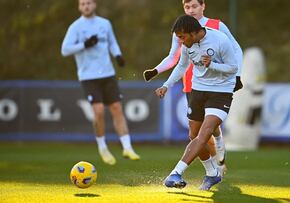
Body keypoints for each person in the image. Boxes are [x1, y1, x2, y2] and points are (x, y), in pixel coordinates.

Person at [144, 0, 243, 170]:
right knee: (198, 131)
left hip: (217, 82)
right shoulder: (181, 29)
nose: (190, 10)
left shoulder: (216, 26)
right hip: (192, 83)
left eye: (194, 6)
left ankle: (219, 148)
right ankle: (214, 166)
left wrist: (238, 75)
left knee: (209, 125)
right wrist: (156, 71)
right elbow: (175, 58)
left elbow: (236, 49)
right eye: (187, 7)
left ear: (203, 6)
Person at [155, 15, 238, 190]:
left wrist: (212, 66)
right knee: (194, 136)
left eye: (182, 37)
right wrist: (166, 85)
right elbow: (182, 66)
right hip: (198, 90)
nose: (181, 41)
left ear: (194, 33)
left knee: (205, 133)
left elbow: (233, 68)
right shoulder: (187, 44)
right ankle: (212, 174)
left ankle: (175, 173)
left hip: (221, 92)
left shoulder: (220, 40)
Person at [61, 0, 140, 165]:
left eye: (88, 3)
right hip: (88, 76)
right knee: (98, 111)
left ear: (94, 4)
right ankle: (102, 147)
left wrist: (118, 55)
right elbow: (65, 49)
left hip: (108, 73)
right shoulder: (75, 27)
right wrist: (84, 44)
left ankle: (127, 147)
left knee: (117, 108)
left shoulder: (105, 23)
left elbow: (112, 42)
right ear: (79, 7)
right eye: (82, 4)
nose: (86, 6)